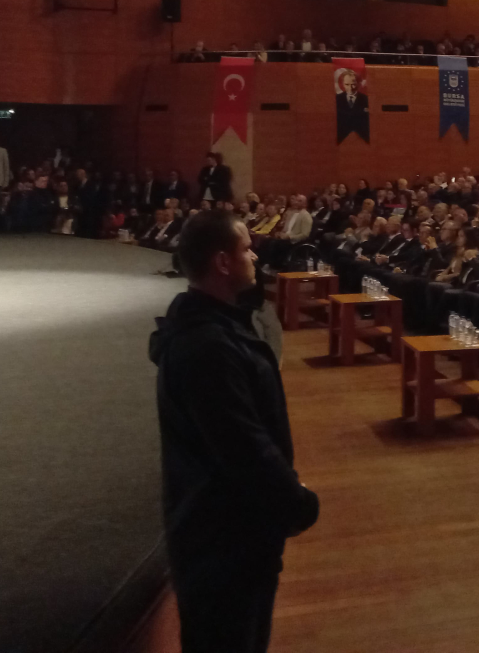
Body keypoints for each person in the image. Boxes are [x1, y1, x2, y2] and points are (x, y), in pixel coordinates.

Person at [148, 210, 319, 653]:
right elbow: (244, 446)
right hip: (223, 541)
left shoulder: (214, 329)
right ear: (223, 262)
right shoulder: (209, 348)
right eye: (246, 248)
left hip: (230, 530)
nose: (255, 255)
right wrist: (297, 502)